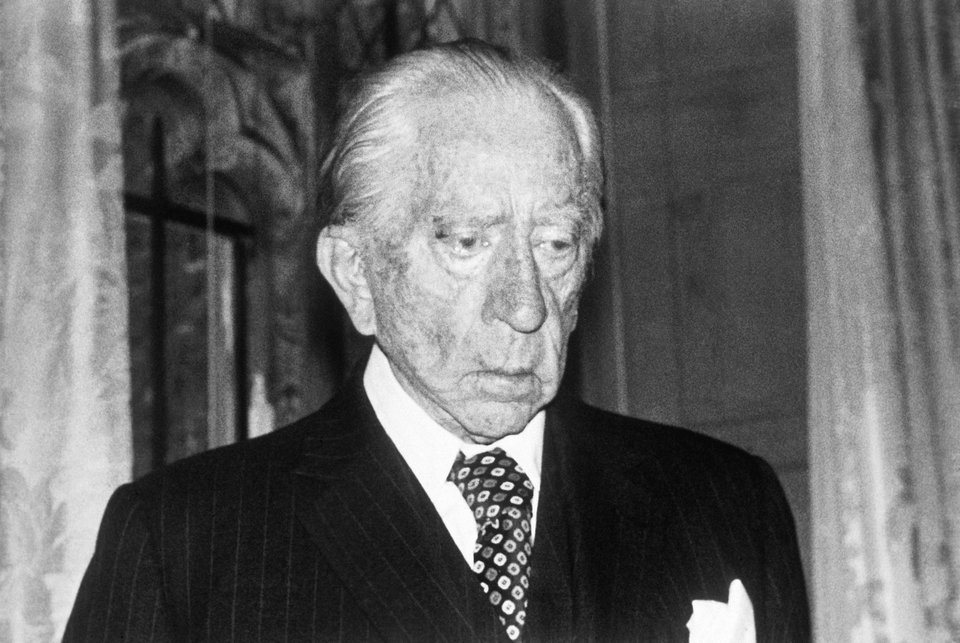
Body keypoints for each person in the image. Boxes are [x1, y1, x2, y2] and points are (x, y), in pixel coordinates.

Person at [64, 40, 809, 642]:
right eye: (466, 242)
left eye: (555, 243)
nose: (525, 306)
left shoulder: (723, 503)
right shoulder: (185, 544)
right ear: (356, 274)